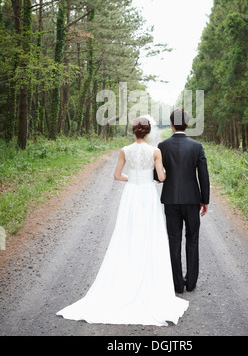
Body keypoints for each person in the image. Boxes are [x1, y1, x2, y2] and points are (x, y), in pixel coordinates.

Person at [56, 116, 189, 326]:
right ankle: (148, 278)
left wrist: (134, 178)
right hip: (147, 194)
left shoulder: (125, 150)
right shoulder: (155, 151)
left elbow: (117, 175)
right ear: (147, 132)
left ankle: (126, 275)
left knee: (127, 233)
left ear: (134, 132)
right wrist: (151, 177)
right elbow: (161, 178)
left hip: (131, 195)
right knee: (149, 234)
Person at [156, 108, 210, 294]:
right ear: (187, 124)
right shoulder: (197, 146)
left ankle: (177, 284)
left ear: (171, 125)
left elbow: (157, 174)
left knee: (174, 239)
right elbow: (203, 175)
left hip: (170, 199)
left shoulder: (162, 146)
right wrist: (205, 200)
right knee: (192, 239)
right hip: (192, 200)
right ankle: (191, 282)